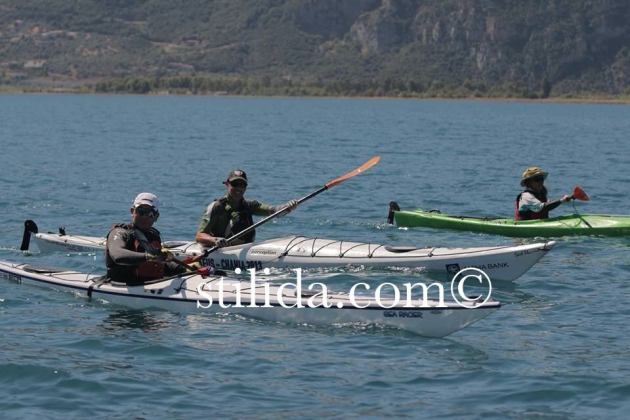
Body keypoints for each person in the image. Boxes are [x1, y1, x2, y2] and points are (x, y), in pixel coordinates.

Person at [195, 169, 298, 247]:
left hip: (244, 249)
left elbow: (273, 211)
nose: (239, 188)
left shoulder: (249, 205)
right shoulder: (216, 207)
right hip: (220, 250)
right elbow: (199, 236)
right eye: (235, 184)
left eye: (242, 184)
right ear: (227, 184)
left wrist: (288, 207)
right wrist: (215, 240)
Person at [106, 193, 185, 285]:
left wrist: (183, 268)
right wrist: (149, 257)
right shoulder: (120, 232)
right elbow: (118, 255)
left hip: (151, 285)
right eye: (141, 211)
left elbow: (158, 265)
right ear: (132, 211)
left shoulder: (153, 235)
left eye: (150, 213)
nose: (145, 217)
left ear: (156, 217)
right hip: (123, 286)